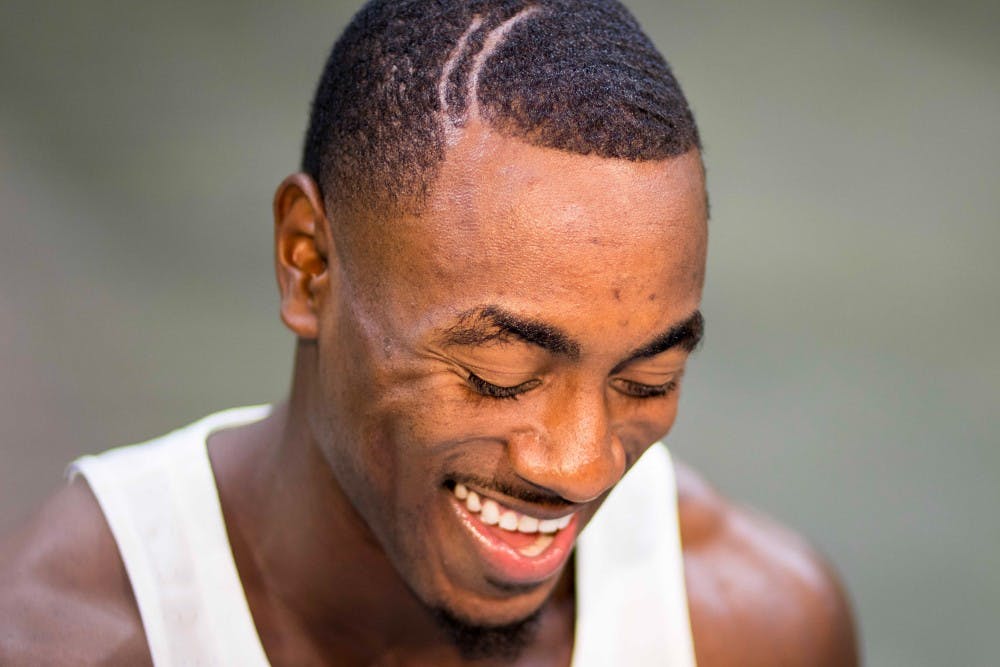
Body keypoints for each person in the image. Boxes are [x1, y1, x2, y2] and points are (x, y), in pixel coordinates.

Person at [0, 0, 859, 664]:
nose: (581, 463)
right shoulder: (67, 638)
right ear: (309, 264)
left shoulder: (753, 628)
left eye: (646, 380)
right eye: (502, 369)